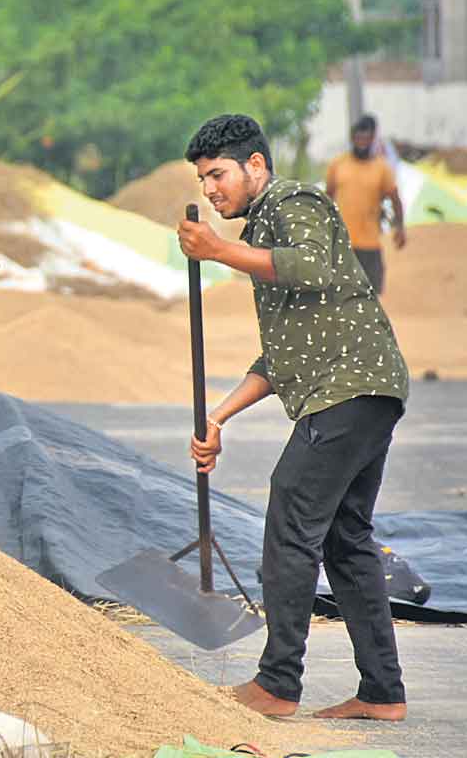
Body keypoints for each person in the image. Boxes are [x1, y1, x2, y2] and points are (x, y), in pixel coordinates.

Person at [178, 114, 409, 722]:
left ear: (256, 165)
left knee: (290, 519)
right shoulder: (262, 232)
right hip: (365, 389)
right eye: (203, 180)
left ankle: (277, 684)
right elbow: (281, 357)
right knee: (344, 538)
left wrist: (219, 250)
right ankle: (383, 693)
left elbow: (311, 265)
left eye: (219, 174)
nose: (211, 189)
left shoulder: (291, 199)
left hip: (348, 389)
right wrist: (218, 418)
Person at [325, 114, 405, 294]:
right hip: (342, 244)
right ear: (352, 138)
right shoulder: (338, 165)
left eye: (366, 138)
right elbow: (327, 198)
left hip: (370, 245)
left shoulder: (382, 168)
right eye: (358, 138)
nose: (362, 142)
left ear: (372, 139)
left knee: (371, 297)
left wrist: (399, 227)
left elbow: (395, 198)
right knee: (340, 296)